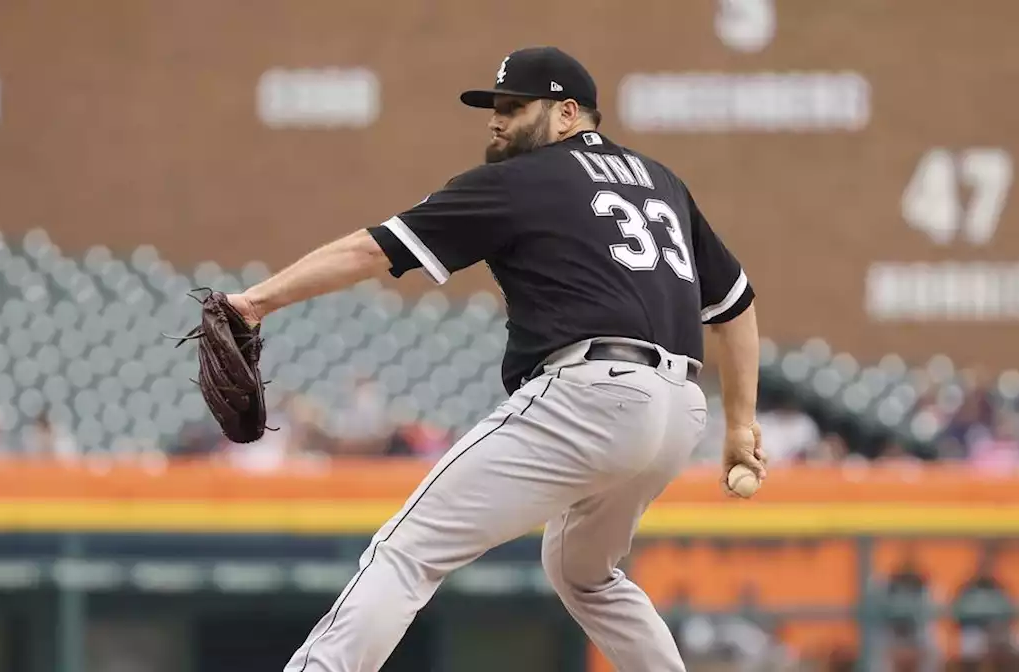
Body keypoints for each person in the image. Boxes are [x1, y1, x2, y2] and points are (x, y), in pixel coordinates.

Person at [223, 45, 766, 672]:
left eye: (513, 106)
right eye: (493, 107)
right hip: (678, 412)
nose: (496, 119)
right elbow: (736, 303)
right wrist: (740, 426)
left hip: (594, 392)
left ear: (567, 114)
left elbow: (372, 252)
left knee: (408, 550)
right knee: (587, 573)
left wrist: (256, 301)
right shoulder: (663, 182)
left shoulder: (522, 181)